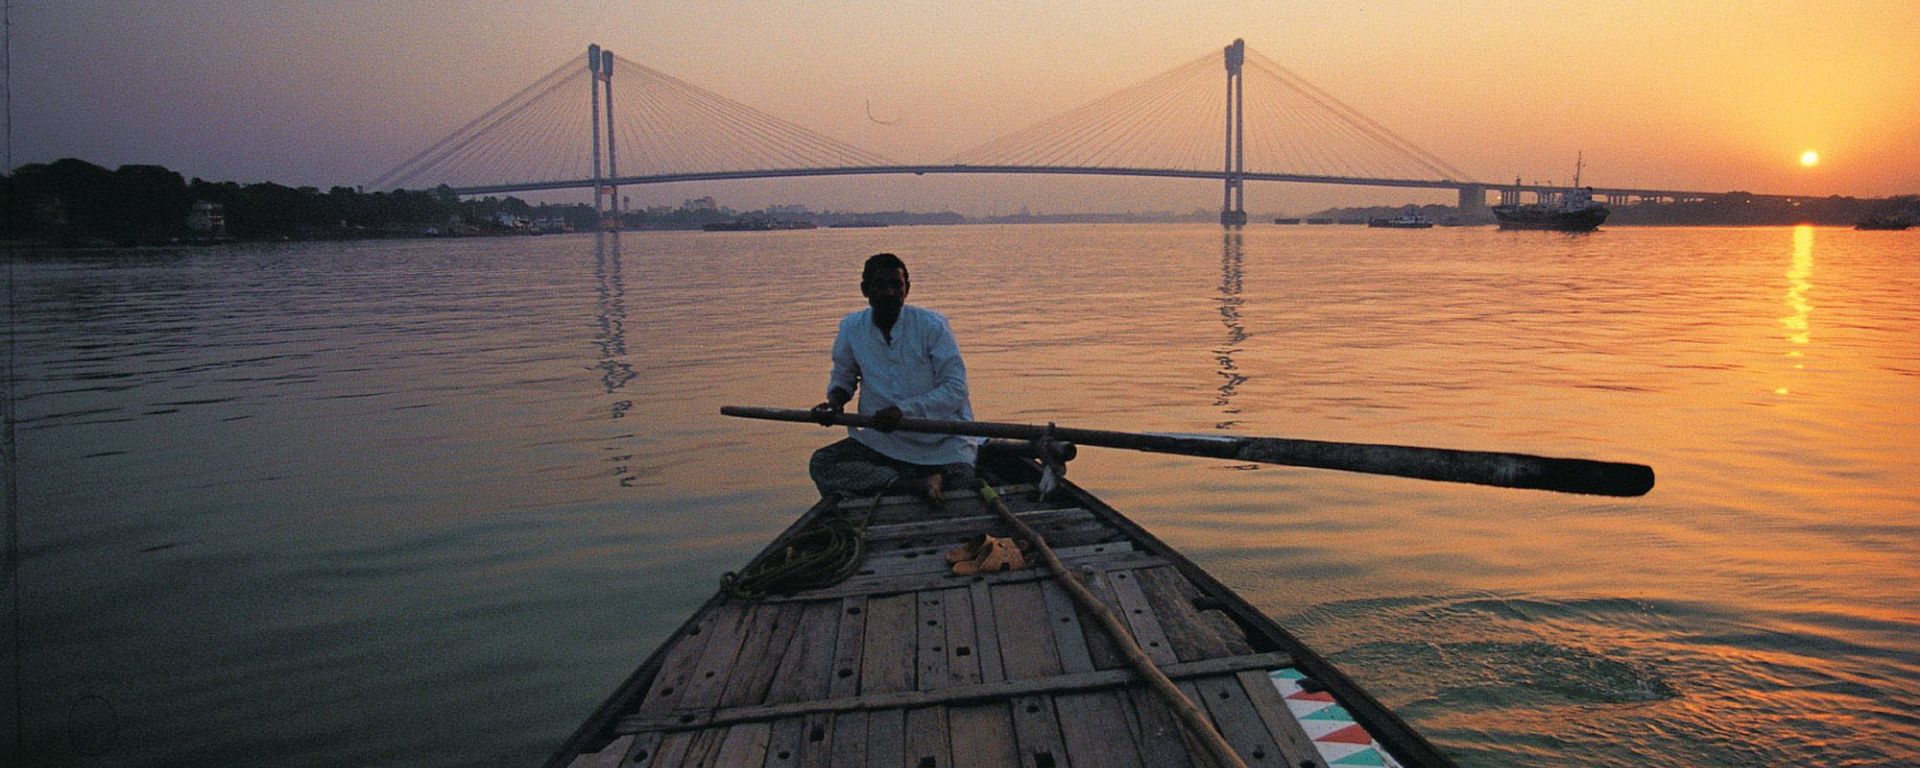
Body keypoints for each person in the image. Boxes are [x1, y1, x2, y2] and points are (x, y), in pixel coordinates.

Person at [809, 253, 976, 505]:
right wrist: (834, 403)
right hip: (883, 441)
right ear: (865, 290)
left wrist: (902, 411)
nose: (889, 292)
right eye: (880, 285)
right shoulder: (851, 327)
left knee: (962, 480)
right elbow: (844, 376)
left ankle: (906, 480)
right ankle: (916, 484)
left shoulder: (933, 325)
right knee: (823, 463)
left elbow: (956, 389)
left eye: (896, 285)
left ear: (907, 289)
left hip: (942, 441)